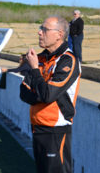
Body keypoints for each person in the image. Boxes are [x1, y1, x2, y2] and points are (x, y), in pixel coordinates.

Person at [20, 16, 81, 173]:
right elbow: (24, 93)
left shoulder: (68, 60)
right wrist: (41, 93)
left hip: (56, 129)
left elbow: (48, 95)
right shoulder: (39, 58)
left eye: (45, 29)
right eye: (41, 28)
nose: (39, 32)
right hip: (37, 125)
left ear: (59, 34)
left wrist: (34, 71)